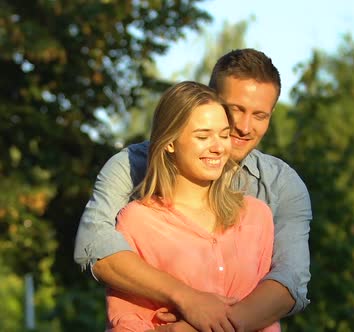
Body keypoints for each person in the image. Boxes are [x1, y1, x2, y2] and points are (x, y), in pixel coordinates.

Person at [74, 49, 312, 332]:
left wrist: (196, 326)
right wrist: (188, 300)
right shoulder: (129, 169)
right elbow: (95, 248)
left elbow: (290, 280)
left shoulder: (277, 190)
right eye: (235, 109)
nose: (244, 127)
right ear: (211, 97)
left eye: (259, 115)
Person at [106, 81, 279, 332]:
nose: (218, 147)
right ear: (170, 142)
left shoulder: (256, 216)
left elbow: (267, 317)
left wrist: (187, 327)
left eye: (223, 134)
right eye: (203, 136)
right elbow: (127, 324)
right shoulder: (137, 222)